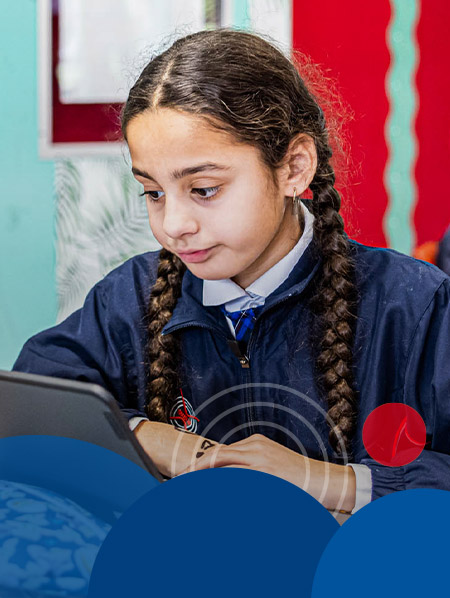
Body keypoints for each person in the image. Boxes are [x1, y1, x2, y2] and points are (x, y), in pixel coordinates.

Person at [13, 29, 450, 514]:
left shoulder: (413, 305)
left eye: (203, 189)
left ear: (294, 168)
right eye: (153, 193)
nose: (174, 226)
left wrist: (329, 481)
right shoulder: (130, 296)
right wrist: (155, 440)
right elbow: (34, 407)